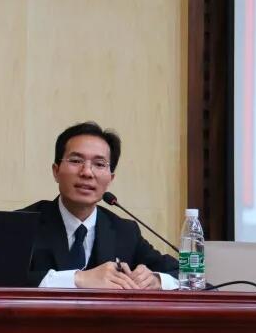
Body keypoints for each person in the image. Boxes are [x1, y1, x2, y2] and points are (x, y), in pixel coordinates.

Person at [23, 121, 178, 290]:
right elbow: (2, 276)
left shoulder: (125, 231)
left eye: (99, 164)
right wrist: (78, 279)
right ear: (56, 171)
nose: (87, 172)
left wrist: (157, 280)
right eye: (76, 160)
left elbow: (185, 273)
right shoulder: (21, 224)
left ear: (111, 179)